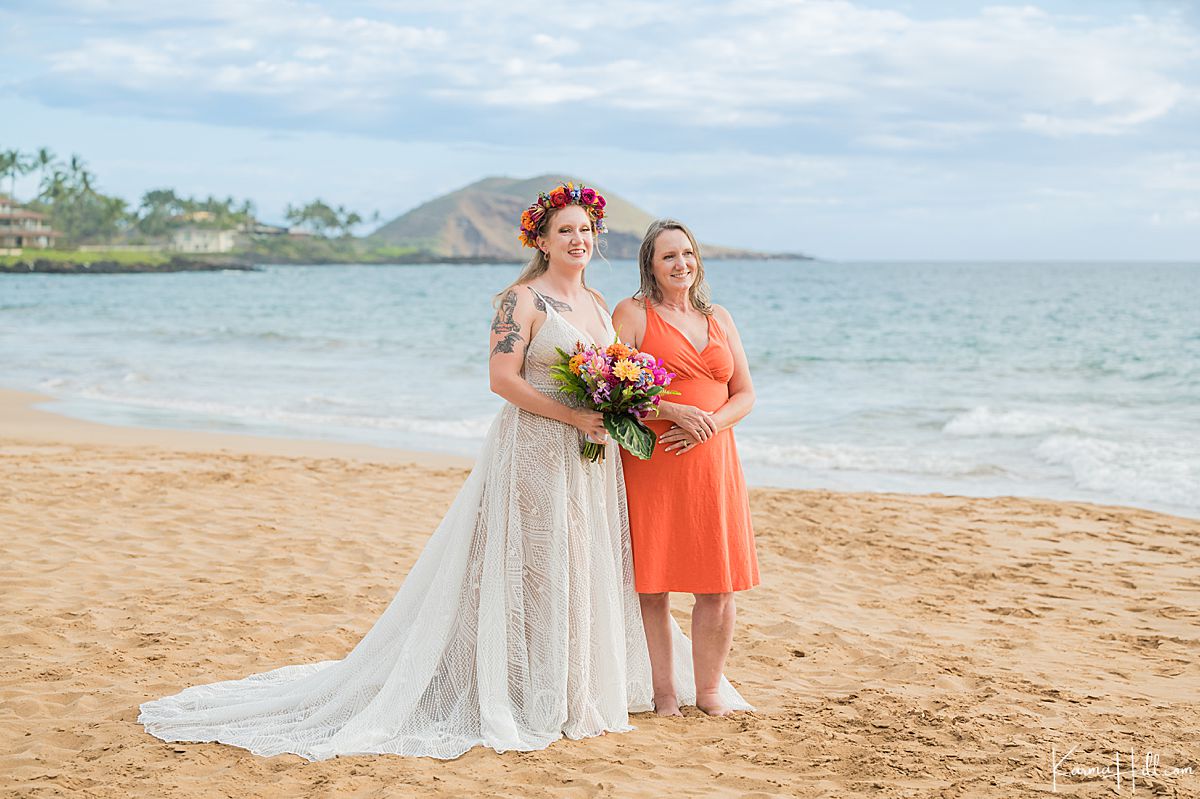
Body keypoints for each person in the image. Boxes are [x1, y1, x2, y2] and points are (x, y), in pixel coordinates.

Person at [138, 186, 750, 762]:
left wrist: (618, 413)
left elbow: (623, 378)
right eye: (565, 230)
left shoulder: (595, 304)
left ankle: (567, 691)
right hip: (536, 448)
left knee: (576, 567)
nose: (577, 240)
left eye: (586, 230)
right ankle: (515, 690)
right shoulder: (521, 301)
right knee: (529, 566)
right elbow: (502, 380)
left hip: (587, 458)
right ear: (540, 239)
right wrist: (573, 413)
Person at [612, 218, 760, 718]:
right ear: (650, 266)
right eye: (669, 256)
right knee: (653, 586)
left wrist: (711, 424)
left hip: (713, 461)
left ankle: (710, 690)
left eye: (688, 254)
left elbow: (745, 394)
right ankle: (665, 694)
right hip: (653, 460)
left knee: (716, 585)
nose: (682, 264)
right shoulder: (632, 313)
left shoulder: (719, 316)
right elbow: (614, 396)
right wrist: (671, 411)